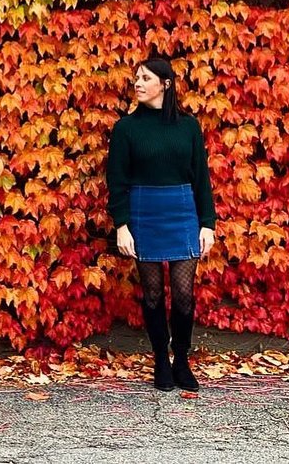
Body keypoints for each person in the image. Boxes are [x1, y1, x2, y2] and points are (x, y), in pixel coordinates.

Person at [106, 56, 217, 392]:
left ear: (165, 84)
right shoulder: (126, 129)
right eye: (136, 78)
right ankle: (160, 360)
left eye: (146, 78)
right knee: (153, 294)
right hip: (144, 211)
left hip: (183, 210)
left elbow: (201, 178)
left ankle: (181, 359)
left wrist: (207, 223)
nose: (138, 83)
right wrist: (122, 225)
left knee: (184, 294)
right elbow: (117, 181)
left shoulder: (188, 127)